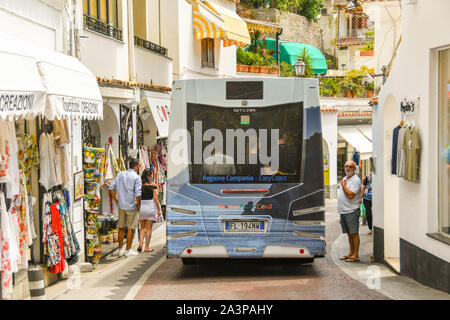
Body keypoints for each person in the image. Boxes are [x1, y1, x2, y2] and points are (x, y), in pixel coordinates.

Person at [109, 158, 142, 257]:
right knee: (130, 228)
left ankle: (120, 250)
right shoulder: (136, 177)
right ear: (136, 166)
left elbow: (111, 188)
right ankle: (128, 251)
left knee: (121, 228)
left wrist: (117, 200)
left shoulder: (120, 174)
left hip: (121, 206)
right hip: (131, 206)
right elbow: (137, 194)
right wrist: (139, 205)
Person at [338, 160, 362, 262]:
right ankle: (351, 253)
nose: (347, 168)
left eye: (350, 167)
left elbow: (351, 195)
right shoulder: (344, 179)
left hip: (351, 211)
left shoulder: (356, 180)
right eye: (346, 166)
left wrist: (343, 185)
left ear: (355, 169)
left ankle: (355, 255)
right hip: (344, 211)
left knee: (354, 233)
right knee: (349, 233)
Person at [137, 168, 162, 253]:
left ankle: (140, 243)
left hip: (142, 207)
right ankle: (146, 247)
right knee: (149, 228)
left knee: (142, 227)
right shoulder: (153, 185)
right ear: (150, 175)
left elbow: (138, 197)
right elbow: (155, 198)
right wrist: (158, 209)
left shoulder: (140, 185)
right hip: (150, 206)